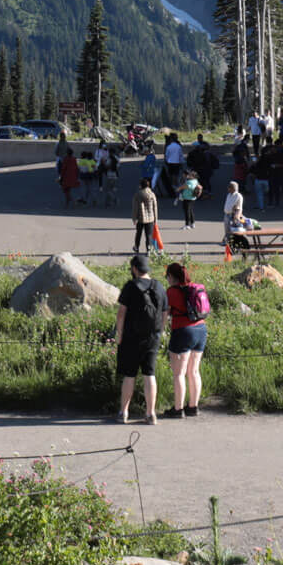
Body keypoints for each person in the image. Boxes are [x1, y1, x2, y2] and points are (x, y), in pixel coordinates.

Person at [112, 253, 167, 424]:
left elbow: (121, 314)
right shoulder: (159, 286)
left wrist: (120, 335)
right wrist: (160, 331)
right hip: (152, 337)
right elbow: (165, 312)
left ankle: (124, 412)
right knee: (149, 374)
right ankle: (151, 414)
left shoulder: (130, 286)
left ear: (135, 269)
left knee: (130, 375)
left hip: (132, 337)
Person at [163, 262, 207, 419]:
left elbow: (165, 314)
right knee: (194, 371)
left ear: (171, 276)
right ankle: (193, 407)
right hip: (201, 329)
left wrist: (160, 330)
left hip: (182, 331)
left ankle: (178, 409)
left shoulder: (171, 292)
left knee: (179, 374)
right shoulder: (196, 287)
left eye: (167, 276)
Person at [132, 178, 158, 253]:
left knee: (138, 234)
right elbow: (155, 207)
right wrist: (156, 219)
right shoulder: (152, 194)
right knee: (149, 235)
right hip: (150, 219)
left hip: (140, 218)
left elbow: (135, 208)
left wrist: (134, 218)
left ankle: (136, 247)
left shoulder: (137, 194)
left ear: (141, 185)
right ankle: (149, 249)